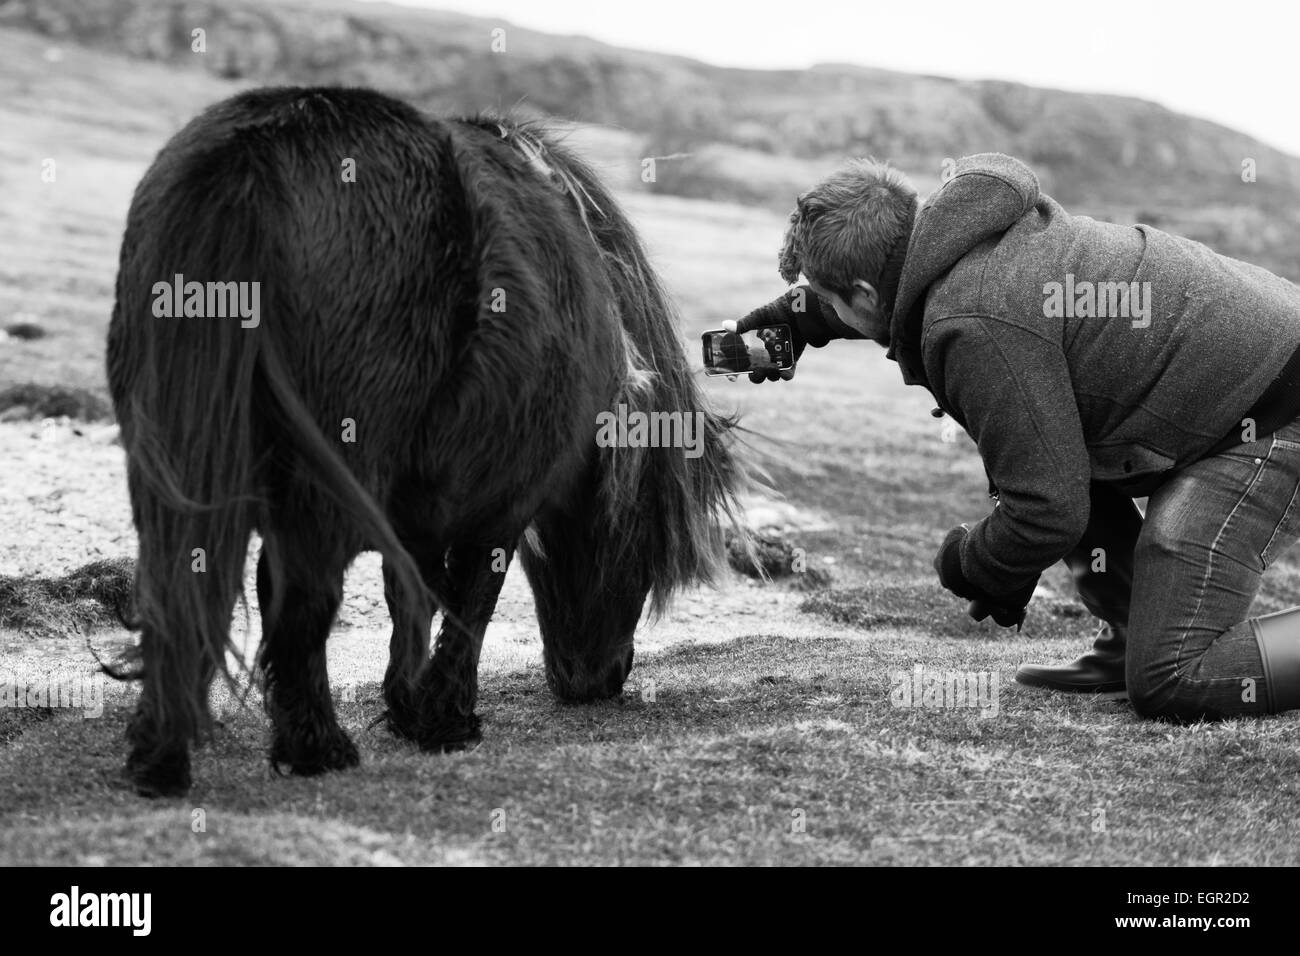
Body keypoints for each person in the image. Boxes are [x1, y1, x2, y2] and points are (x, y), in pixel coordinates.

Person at [726, 153, 1300, 720]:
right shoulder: (957, 237)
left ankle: (1148, 653)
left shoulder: (974, 323)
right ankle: (1129, 636)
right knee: (1047, 448)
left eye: (829, 300)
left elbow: (1047, 512)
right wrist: (797, 318)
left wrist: (972, 564)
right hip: (1242, 379)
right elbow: (890, 300)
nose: (828, 309)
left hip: (1273, 410)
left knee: (1173, 677)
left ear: (865, 293)